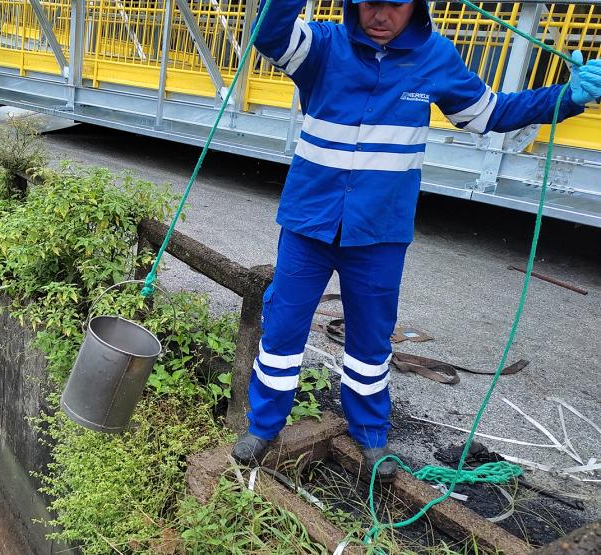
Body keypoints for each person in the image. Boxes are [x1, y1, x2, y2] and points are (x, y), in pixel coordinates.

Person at [231, 0, 601, 481]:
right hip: (309, 222)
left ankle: (370, 439)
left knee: (370, 342)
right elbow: (269, 32)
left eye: (394, 5)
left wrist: (568, 97)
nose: (379, 15)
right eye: (369, 3)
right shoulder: (323, 46)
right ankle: (264, 427)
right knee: (282, 330)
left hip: (380, 232)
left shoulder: (435, 57)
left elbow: (490, 113)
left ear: (416, 7)